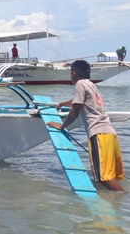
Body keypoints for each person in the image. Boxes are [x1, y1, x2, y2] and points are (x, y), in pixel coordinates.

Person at [47, 59, 125, 192]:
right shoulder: (90, 84)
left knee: (103, 178)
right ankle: (112, 199)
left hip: (98, 134)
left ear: (73, 73)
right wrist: (62, 104)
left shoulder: (79, 84)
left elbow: (75, 111)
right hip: (109, 133)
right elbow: (78, 101)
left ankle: (127, 198)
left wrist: (62, 126)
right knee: (107, 175)